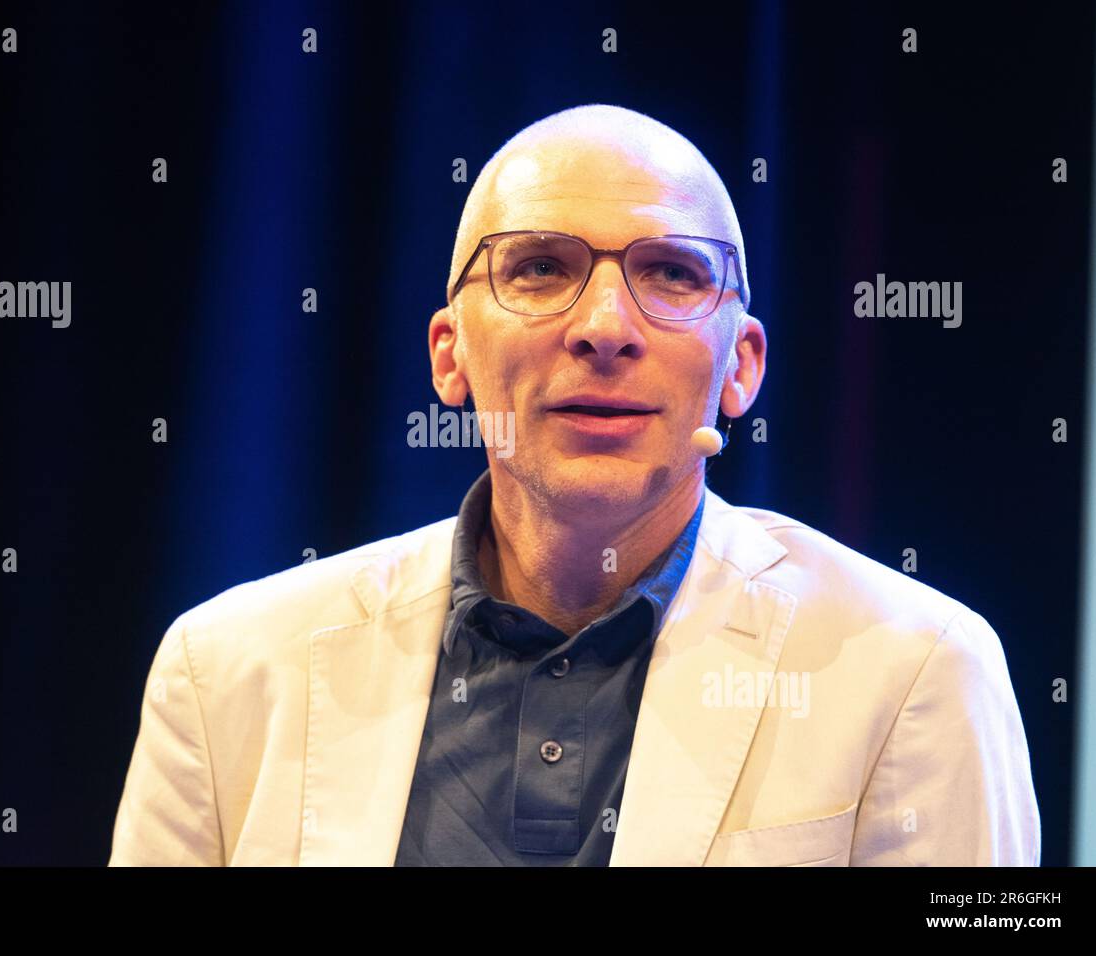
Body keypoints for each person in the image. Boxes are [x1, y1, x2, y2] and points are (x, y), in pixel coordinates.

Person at [108, 104, 1040, 866]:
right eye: (542, 268)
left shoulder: (915, 668)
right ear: (450, 353)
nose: (605, 327)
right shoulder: (225, 670)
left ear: (741, 366)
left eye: (671, 274)